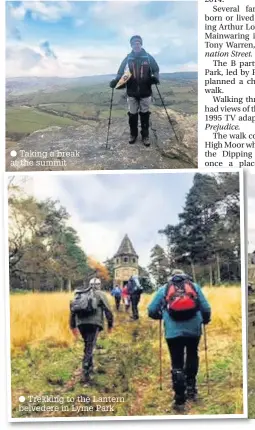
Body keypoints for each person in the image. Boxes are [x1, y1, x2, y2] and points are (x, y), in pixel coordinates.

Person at [148, 269, 211, 412]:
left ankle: (179, 399)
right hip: (193, 329)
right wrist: (205, 320)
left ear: (172, 278)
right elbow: (206, 307)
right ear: (185, 277)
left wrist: (161, 316)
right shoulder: (194, 287)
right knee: (192, 355)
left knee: (176, 362)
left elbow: (151, 310)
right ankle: (191, 389)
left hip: (172, 332)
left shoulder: (164, 289)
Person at [109, 35, 160, 146]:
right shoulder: (128, 59)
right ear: (131, 45)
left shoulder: (148, 57)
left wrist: (155, 78)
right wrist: (116, 81)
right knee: (132, 115)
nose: (136, 45)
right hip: (131, 92)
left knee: (145, 114)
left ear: (141, 44)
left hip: (145, 92)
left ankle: (145, 135)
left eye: (138, 43)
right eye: (134, 43)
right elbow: (120, 73)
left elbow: (156, 69)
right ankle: (133, 134)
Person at [69, 277, 114, 385]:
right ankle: (85, 369)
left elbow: (72, 311)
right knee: (90, 345)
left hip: (81, 323)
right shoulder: (100, 294)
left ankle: (90, 366)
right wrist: (110, 325)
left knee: (87, 344)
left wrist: (73, 326)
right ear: (99, 285)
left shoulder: (79, 294)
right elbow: (108, 310)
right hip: (94, 324)